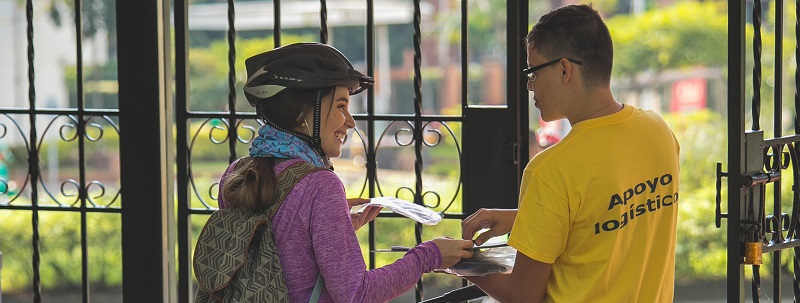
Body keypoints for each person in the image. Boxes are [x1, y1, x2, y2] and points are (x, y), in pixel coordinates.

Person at [216, 42, 474, 302]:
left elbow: (276, 254)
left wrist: (332, 225)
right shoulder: (319, 186)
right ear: (302, 114)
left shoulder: (237, 172)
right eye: (341, 106)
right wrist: (428, 256)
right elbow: (355, 294)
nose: (350, 121)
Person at [461, 4, 680, 302]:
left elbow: (522, 294)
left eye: (533, 71)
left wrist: (460, 263)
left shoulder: (551, 170)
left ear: (565, 70)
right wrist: (523, 218)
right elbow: (604, 211)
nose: (528, 85)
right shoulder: (659, 131)